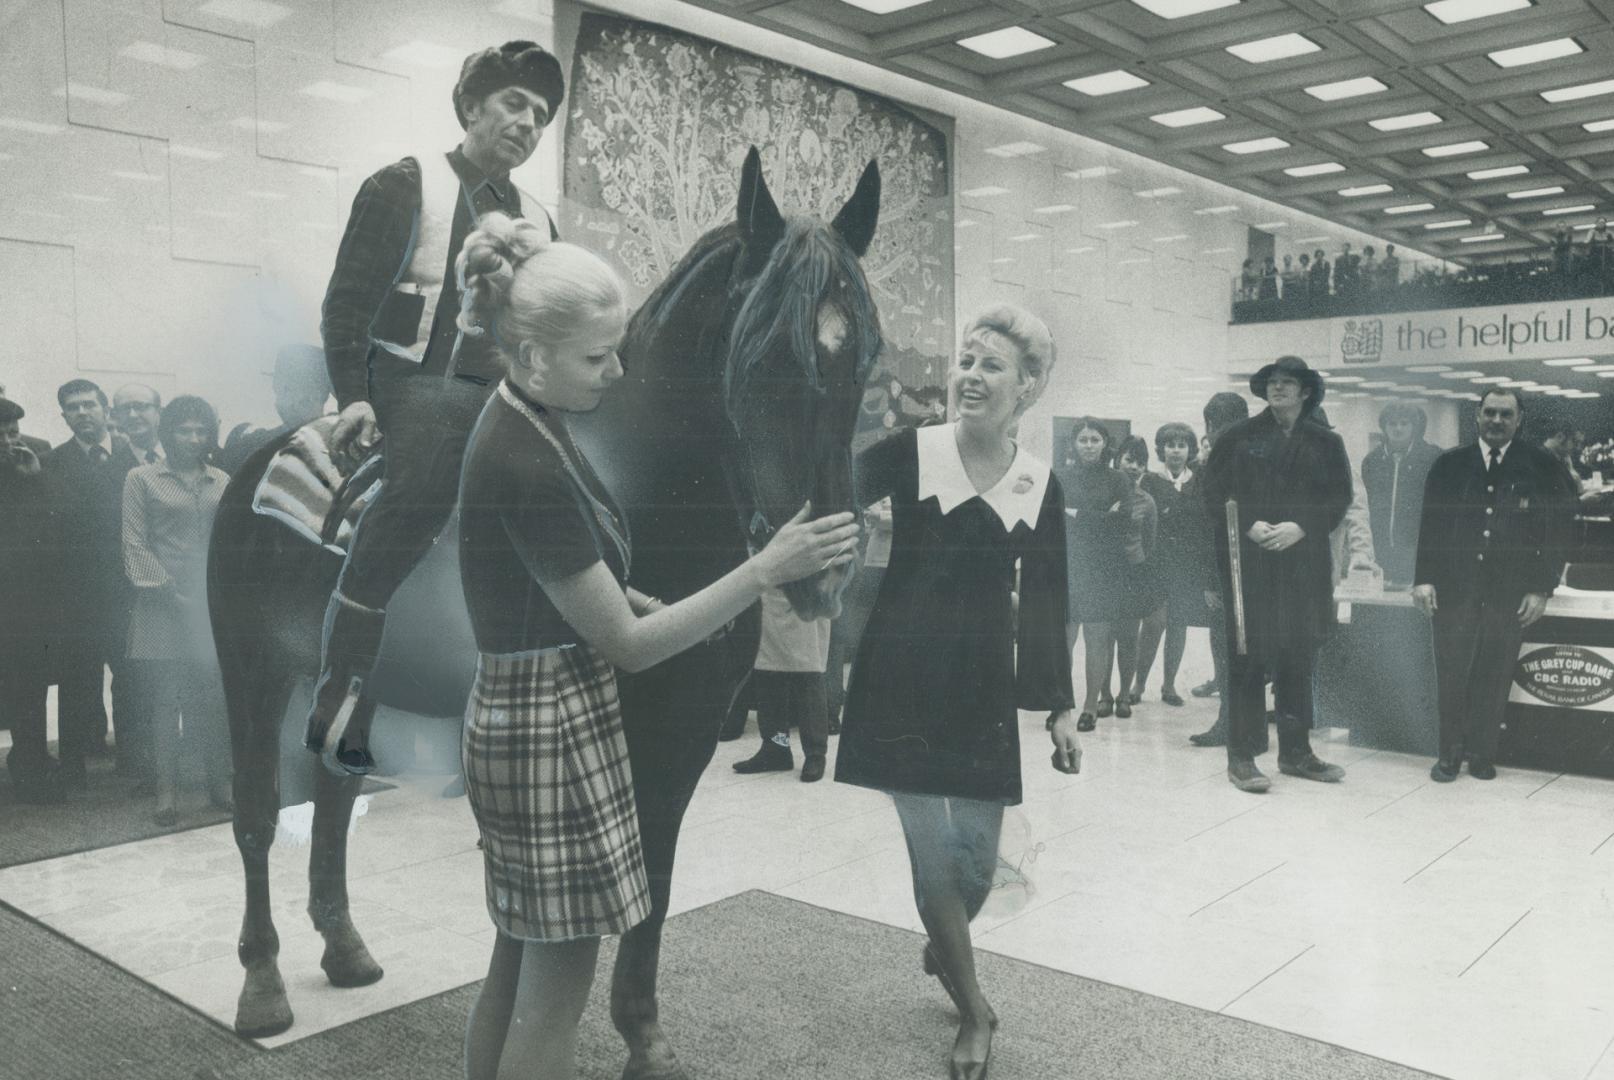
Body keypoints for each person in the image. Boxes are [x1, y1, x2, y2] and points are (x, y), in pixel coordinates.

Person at [451, 213, 858, 1080]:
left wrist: (653, 594)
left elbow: (581, 584)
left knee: (512, 968)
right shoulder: (529, 461)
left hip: (526, 715)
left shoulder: (526, 417)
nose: (618, 372)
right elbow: (630, 647)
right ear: (529, 354)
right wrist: (762, 570)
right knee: (553, 1004)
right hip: (552, 733)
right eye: (598, 358)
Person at [304, 40, 567, 774]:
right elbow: (346, 307)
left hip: (503, 392)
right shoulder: (404, 185)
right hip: (413, 382)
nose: (527, 122)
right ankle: (341, 686)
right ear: (472, 106)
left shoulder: (542, 220)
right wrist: (353, 398)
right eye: (515, 103)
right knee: (420, 489)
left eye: (541, 115)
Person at [835, 303, 1079, 1080]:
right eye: (966, 361)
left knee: (976, 863)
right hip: (897, 678)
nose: (971, 376)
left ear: (1028, 387)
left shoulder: (1040, 483)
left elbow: (1048, 600)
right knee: (933, 861)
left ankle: (946, 947)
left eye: (992, 366)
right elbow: (829, 492)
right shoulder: (910, 450)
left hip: (981, 688)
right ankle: (975, 1009)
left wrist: (1062, 708)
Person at [1201, 356, 1352, 792]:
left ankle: (1296, 752)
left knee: (1297, 658)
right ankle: (1242, 756)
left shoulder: (1325, 442)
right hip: (1249, 566)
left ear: (1306, 392)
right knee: (1247, 657)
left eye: (1287, 383)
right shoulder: (1238, 437)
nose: (1277, 388)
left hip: (1303, 567)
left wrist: (1301, 526)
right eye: (1272, 382)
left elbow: (1338, 496)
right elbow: (1211, 493)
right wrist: (1249, 524)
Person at [1414, 389, 1572, 782]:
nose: (1497, 420)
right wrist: (1424, 578)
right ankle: (1448, 755)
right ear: (1477, 417)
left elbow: (1558, 530)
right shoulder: (1449, 465)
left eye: (1506, 414)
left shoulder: (1541, 466)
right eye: (1490, 413)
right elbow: (1429, 526)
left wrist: (1542, 587)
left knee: (1495, 673)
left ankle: (1482, 755)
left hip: (1509, 592)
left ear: (1520, 420)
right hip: (1455, 590)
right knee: (1451, 673)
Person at [122, 396, 233, 824]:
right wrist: (171, 592)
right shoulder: (141, 478)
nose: (192, 438)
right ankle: (165, 794)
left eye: (201, 430)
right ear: (167, 432)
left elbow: (229, 542)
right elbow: (134, 543)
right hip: (160, 605)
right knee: (166, 701)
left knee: (213, 698)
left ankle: (219, 784)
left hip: (210, 606)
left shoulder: (221, 479)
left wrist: (214, 595)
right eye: (183, 429)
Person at [43, 378, 140, 786]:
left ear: (105, 410)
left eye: (89, 405)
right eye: (72, 407)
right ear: (64, 416)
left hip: (126, 591)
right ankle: (71, 766)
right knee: (76, 681)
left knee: (130, 680)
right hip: (76, 595)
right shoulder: (51, 463)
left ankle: (135, 762)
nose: (82, 412)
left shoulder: (132, 459)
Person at [1, 398, 64, 803]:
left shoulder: (31, 463)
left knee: (28, 686)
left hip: (22, 602)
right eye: (2, 434)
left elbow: (54, 531)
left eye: (13, 432)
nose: (9, 442)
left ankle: (31, 766)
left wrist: (34, 481)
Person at [1057, 417, 1132, 731]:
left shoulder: (1118, 479)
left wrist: (1075, 513)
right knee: (1066, 639)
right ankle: (1061, 705)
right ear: (1074, 443)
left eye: (1095, 439)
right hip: (1069, 565)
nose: (1089, 445)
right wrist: (1101, 518)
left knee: (1097, 638)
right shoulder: (1059, 476)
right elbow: (1053, 519)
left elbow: (1123, 522)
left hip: (1103, 568)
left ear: (1105, 444)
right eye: (1083, 439)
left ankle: (1089, 707)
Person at [1187, 393, 1249, 745]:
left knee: (1227, 651)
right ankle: (1245, 724)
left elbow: (1206, 526)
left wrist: (1209, 580)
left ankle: (1231, 724)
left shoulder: (1216, 463)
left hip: (1225, 572)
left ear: (1211, 424)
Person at [730, 587, 833, 781]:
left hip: (807, 592)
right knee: (768, 671)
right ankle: (776, 749)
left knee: (808, 671)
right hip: (769, 594)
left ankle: (815, 754)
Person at [1133, 422, 1198, 707]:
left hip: (1185, 566)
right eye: (1170, 445)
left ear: (1189, 450)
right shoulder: (1149, 481)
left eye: (1181, 445)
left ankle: (1169, 685)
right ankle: (1138, 683)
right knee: (1153, 623)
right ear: (1161, 450)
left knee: (1179, 625)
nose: (1175, 451)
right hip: (1155, 563)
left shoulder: (1198, 482)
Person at [1108, 435, 1165, 712]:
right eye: (1129, 460)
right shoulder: (1104, 493)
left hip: (1133, 573)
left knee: (1129, 636)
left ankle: (1123, 695)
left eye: (1140, 462)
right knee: (1105, 636)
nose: (1134, 467)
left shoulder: (1148, 502)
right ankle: (1104, 695)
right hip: (1104, 572)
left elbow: (1149, 543)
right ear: (1117, 459)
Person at [216, 344, 333, 474]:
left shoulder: (340, 439)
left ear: (319, 394)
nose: (278, 395)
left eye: (286, 388)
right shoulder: (255, 443)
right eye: (278, 386)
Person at [1361, 401, 1442, 587]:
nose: (1398, 428)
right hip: (1379, 551)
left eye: (1404, 423)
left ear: (1414, 426)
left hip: (1417, 551)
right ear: (1384, 427)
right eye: (1392, 423)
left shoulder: (1433, 457)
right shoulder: (1372, 461)